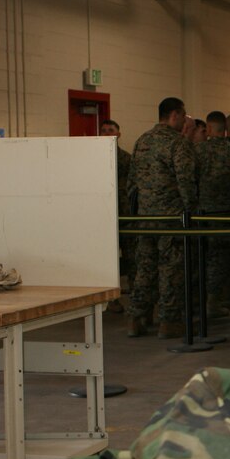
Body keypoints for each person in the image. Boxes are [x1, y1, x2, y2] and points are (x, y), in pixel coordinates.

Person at [125, 97, 197, 339]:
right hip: (171, 219)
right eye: (183, 115)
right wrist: (190, 210)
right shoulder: (178, 143)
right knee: (171, 270)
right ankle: (169, 322)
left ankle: (137, 318)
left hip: (145, 219)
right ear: (174, 115)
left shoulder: (141, 141)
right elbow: (186, 182)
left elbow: (131, 184)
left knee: (144, 269)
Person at [194, 110, 230, 317]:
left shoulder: (195, 151)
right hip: (227, 214)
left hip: (199, 214)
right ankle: (213, 301)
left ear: (208, 128)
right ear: (225, 129)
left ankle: (200, 301)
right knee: (219, 260)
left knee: (201, 257)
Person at [101, 119, 130, 314]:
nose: (106, 133)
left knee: (130, 257)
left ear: (119, 134)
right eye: (103, 131)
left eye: (110, 130)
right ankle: (110, 300)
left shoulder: (126, 159)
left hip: (125, 215)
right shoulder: (92, 159)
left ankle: (135, 301)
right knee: (107, 260)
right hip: (103, 217)